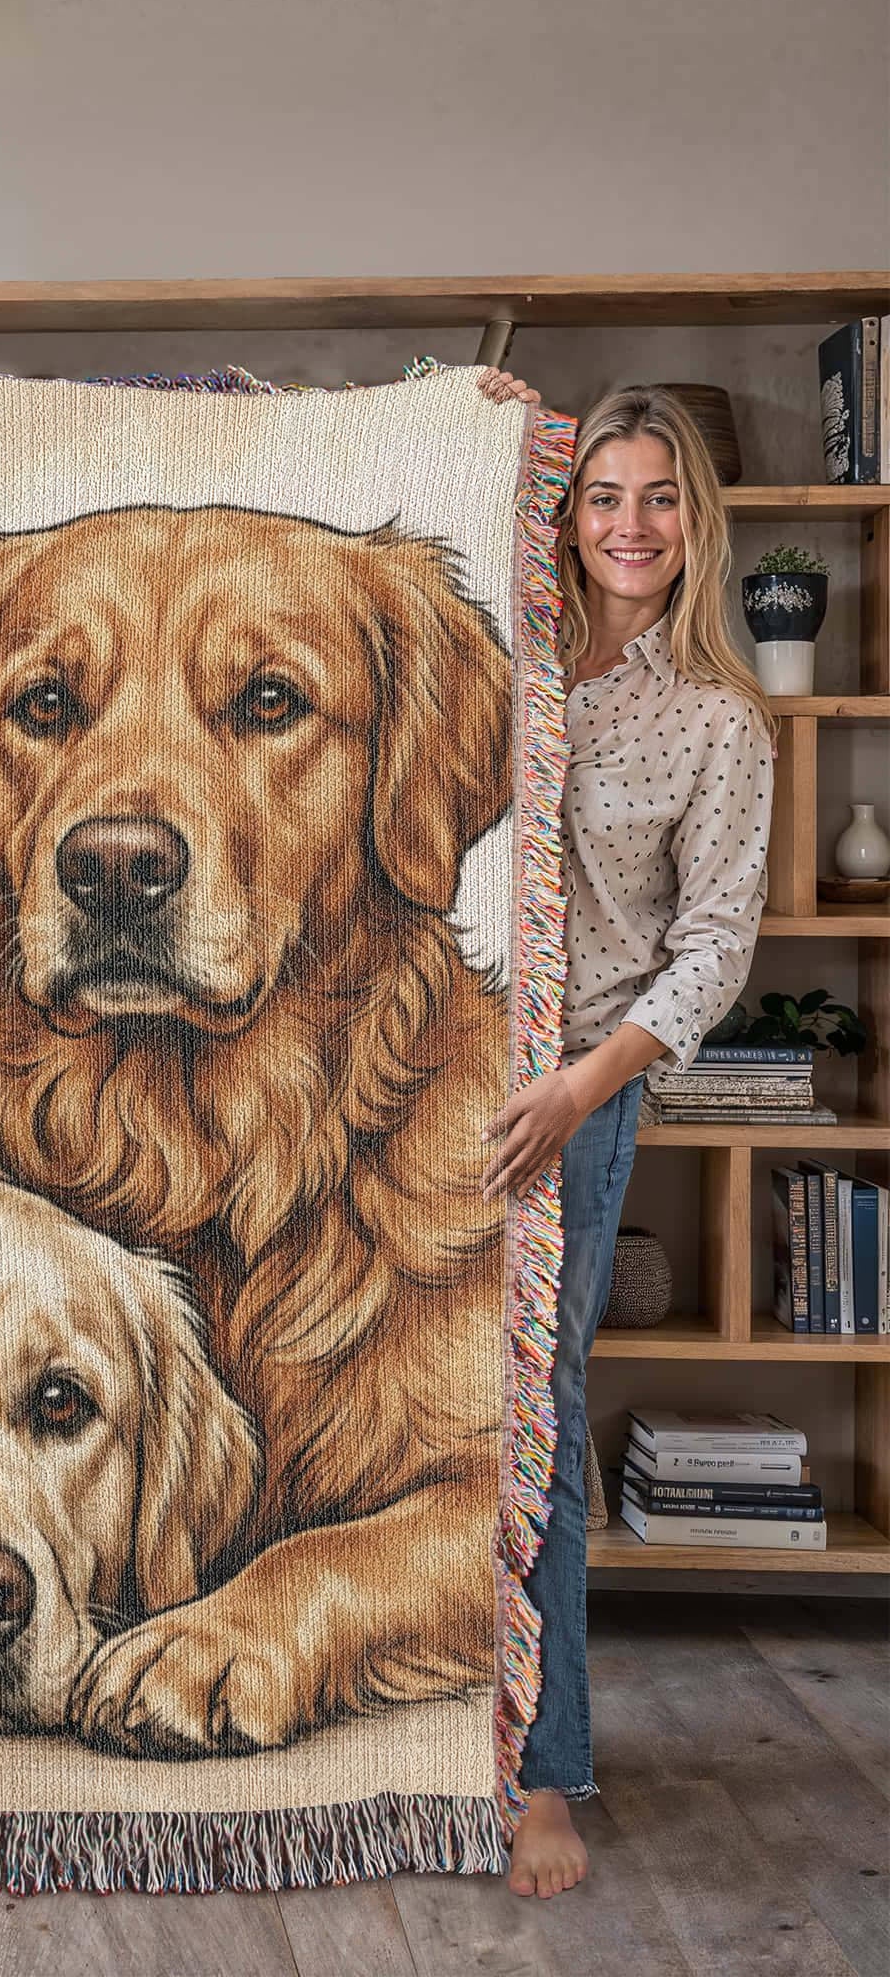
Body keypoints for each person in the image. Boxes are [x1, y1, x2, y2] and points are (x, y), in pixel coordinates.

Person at [476, 372, 774, 1897]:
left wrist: (583, 1089)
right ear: (564, 510)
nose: (632, 525)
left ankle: (543, 1768)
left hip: (576, 1100)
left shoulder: (716, 715)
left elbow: (714, 947)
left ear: (694, 521)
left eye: (660, 498)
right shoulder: (502, 657)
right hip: (431, 1070)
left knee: (538, 1409)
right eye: (605, 496)